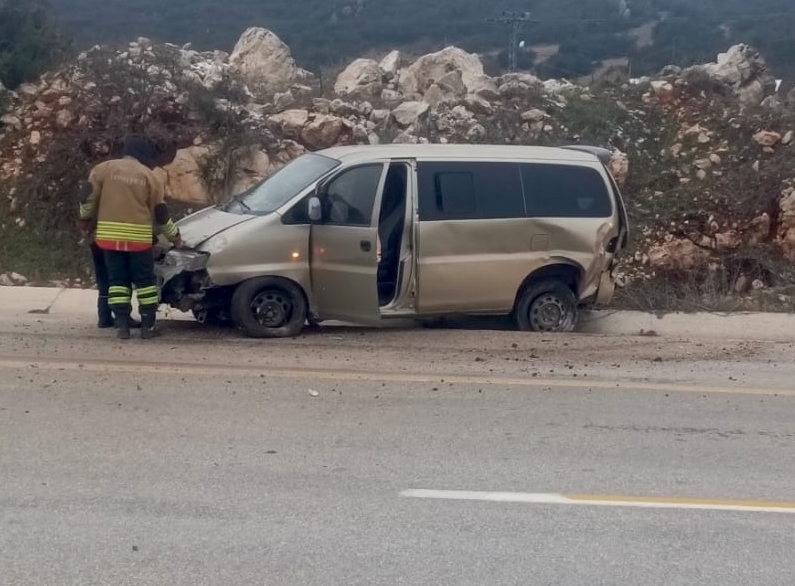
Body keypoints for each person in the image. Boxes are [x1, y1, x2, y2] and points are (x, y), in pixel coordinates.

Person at [79, 135, 183, 339]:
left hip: (109, 238)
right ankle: (147, 327)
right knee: (145, 282)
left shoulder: (102, 170)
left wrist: (84, 220)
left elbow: (86, 198)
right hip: (139, 240)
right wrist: (175, 238)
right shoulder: (151, 177)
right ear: (144, 155)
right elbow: (161, 214)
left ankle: (122, 326)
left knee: (118, 281)